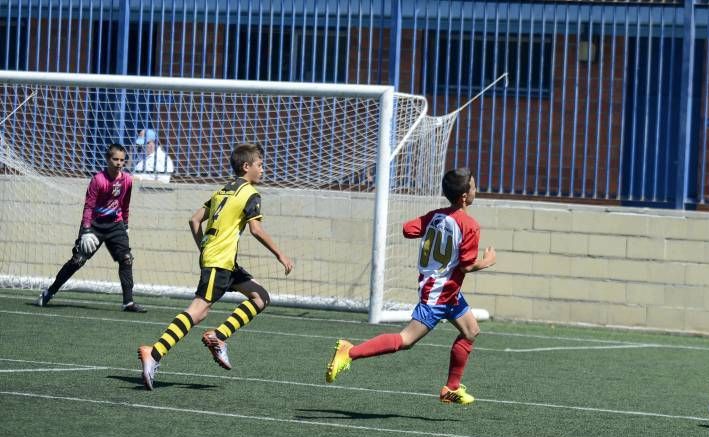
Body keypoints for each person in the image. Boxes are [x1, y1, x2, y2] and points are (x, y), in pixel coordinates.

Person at [325, 167, 496, 405]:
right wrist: (487, 262)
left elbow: (408, 229)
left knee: (471, 331)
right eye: (474, 186)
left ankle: (451, 389)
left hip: (448, 291)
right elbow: (467, 266)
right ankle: (349, 351)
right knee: (405, 340)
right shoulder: (470, 225)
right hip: (438, 294)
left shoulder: (437, 216)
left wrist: (433, 230)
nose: (476, 189)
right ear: (465, 196)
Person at [137, 143, 294, 391]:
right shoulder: (250, 193)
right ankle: (154, 352)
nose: (263, 169)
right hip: (220, 261)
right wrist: (281, 255)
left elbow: (194, 219)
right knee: (198, 311)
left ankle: (219, 336)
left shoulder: (223, 190)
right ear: (247, 166)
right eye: (260, 165)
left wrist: (205, 247)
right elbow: (256, 229)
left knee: (260, 297)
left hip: (223, 261)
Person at [36, 144, 147, 313]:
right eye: (115, 159)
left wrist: (125, 225)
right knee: (78, 260)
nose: (118, 163)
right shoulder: (98, 180)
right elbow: (88, 207)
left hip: (115, 225)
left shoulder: (127, 180)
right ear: (108, 159)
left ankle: (128, 302)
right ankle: (48, 293)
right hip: (94, 225)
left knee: (126, 259)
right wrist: (86, 230)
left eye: (122, 160)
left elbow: (125, 205)